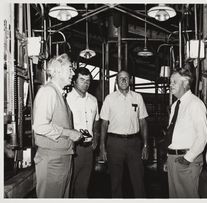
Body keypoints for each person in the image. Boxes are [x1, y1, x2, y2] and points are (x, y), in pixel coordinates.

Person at [32, 53, 84, 198]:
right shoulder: (48, 91)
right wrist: (69, 133)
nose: (73, 73)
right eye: (70, 68)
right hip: (52, 160)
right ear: (57, 71)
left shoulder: (59, 93)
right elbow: (40, 126)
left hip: (63, 157)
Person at [99, 70, 149, 198]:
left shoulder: (137, 97)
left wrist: (145, 145)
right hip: (114, 143)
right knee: (115, 180)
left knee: (138, 179)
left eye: (126, 78)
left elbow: (143, 122)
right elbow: (104, 124)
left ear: (130, 80)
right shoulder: (109, 99)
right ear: (116, 81)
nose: (123, 80)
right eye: (120, 78)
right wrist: (102, 147)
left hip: (134, 143)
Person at [166, 67, 207, 198]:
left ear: (185, 83)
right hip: (173, 159)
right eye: (170, 82)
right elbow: (173, 134)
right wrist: (169, 158)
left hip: (186, 160)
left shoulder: (195, 104)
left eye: (174, 82)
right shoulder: (175, 106)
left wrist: (187, 159)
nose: (170, 85)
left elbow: (203, 136)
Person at [66, 67, 100, 197]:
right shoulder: (66, 99)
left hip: (89, 149)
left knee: (83, 187)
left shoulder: (93, 100)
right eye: (82, 79)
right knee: (69, 185)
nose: (86, 83)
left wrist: (96, 137)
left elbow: (97, 120)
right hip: (73, 149)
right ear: (74, 81)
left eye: (88, 80)